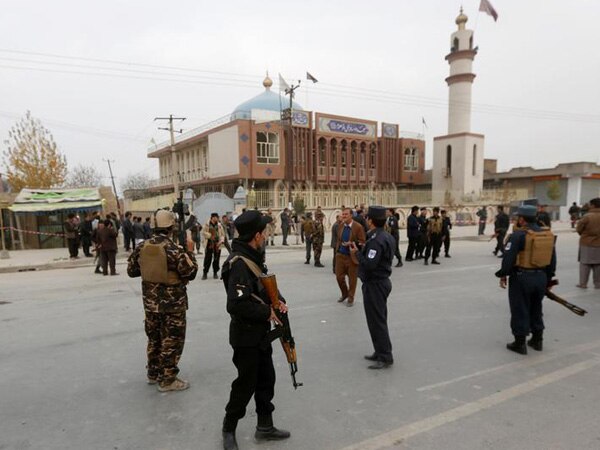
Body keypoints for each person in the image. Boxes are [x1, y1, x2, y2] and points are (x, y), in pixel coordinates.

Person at [220, 210, 291, 450]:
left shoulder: (254, 256)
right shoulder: (239, 264)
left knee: (266, 381)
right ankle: (228, 429)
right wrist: (266, 312)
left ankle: (265, 426)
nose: (267, 235)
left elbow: (262, 286)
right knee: (245, 385)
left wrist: (278, 300)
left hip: (260, 335)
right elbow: (235, 304)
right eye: (266, 231)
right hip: (245, 337)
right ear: (257, 235)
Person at [127, 209, 198, 391]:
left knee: (154, 339)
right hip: (172, 305)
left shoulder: (142, 247)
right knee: (171, 340)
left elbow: (132, 271)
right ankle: (167, 380)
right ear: (171, 227)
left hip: (151, 305)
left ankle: (153, 373)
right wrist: (190, 252)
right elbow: (191, 272)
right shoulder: (174, 250)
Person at [495, 205, 556, 355]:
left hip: (522, 277)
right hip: (541, 276)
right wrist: (548, 279)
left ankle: (520, 343)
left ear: (522, 219)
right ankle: (537, 340)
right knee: (536, 308)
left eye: (517, 218)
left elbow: (508, 259)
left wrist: (503, 274)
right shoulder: (546, 234)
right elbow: (552, 259)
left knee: (520, 308)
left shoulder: (519, 235)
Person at [349, 206, 395, 370]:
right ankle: (379, 350)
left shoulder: (376, 240)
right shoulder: (385, 236)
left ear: (371, 221)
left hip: (375, 284)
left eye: (368, 219)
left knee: (377, 321)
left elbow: (370, 264)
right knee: (376, 320)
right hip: (380, 282)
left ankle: (385, 356)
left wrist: (357, 254)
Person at [335, 207, 366, 307]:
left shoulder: (358, 227)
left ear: (351, 215)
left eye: (346, 214)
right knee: (339, 277)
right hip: (340, 255)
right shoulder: (341, 226)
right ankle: (345, 293)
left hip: (351, 256)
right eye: (342, 214)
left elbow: (362, 242)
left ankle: (351, 297)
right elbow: (338, 239)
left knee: (352, 279)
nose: (343, 216)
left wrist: (352, 243)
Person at [575, 197, 600, 289]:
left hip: (587, 243)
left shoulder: (587, 216)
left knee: (585, 264)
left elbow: (579, 228)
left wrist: (584, 234)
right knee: (598, 264)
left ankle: (583, 283)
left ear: (593, 205)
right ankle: (598, 284)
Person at [202, 213, 225, 280]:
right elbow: (203, 232)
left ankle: (215, 272)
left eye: (217, 217)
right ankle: (205, 273)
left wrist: (221, 241)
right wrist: (210, 236)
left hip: (217, 244)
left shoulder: (219, 225)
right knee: (207, 259)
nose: (217, 219)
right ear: (212, 218)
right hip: (209, 244)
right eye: (216, 217)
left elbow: (223, 234)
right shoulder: (207, 224)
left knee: (216, 259)